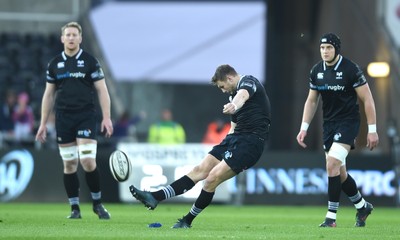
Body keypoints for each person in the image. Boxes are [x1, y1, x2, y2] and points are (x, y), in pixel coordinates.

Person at [129, 64, 271, 228]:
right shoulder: (232, 96)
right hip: (235, 139)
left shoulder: (248, 82)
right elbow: (234, 125)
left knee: (211, 179)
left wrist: (234, 105)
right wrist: (227, 141)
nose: (223, 90)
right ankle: (155, 197)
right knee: (199, 170)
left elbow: (243, 95)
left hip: (251, 143)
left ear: (230, 78)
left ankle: (187, 221)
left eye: (222, 86)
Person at [296, 33, 379, 228]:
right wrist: (304, 127)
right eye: (322, 48)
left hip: (348, 123)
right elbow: (311, 100)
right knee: (339, 172)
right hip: (329, 125)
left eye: (329, 48)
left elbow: (367, 99)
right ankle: (362, 206)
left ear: (336, 49)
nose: (325, 52)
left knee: (332, 163)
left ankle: (331, 218)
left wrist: (373, 130)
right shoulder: (316, 71)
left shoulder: (351, 69)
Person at [35, 22, 114, 220]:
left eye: (74, 35)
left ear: (80, 38)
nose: (71, 38)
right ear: (62, 38)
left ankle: (97, 204)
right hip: (63, 118)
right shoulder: (54, 64)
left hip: (86, 116)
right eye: (67, 35)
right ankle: (74, 209)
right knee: (69, 164)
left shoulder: (90, 62)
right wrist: (43, 123)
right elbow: (48, 95)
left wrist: (106, 117)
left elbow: (102, 90)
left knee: (87, 160)